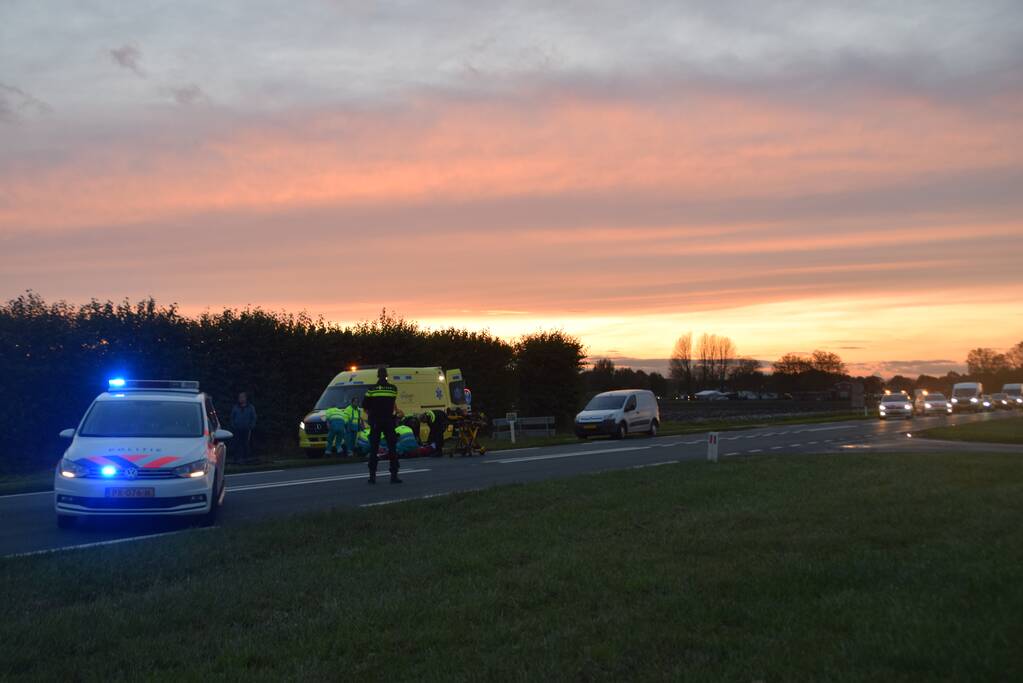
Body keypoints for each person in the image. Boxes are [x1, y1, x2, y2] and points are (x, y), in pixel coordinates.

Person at [362, 367, 401, 484]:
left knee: (374, 448)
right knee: (392, 448)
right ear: (386, 375)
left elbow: (365, 404)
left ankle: (372, 476)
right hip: (389, 421)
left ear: (378, 375)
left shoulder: (371, 389)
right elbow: (392, 403)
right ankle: (394, 476)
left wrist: (371, 414)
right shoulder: (393, 389)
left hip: (376, 421)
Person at [230, 392, 257, 463]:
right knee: (237, 443)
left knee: (246, 443)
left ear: (245, 398)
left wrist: (251, 426)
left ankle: (246, 458)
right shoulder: (235, 407)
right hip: (237, 429)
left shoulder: (250, 407)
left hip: (247, 429)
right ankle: (237, 458)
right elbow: (232, 417)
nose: (241, 399)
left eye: (242, 397)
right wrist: (234, 426)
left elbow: (253, 417)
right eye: (239, 397)